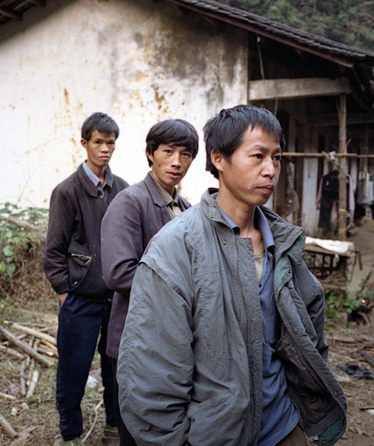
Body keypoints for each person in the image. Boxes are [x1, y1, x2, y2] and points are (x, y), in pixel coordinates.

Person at [117, 105, 347, 446]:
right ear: (219, 159)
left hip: (283, 425)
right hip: (215, 436)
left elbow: (309, 336)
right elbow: (152, 378)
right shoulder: (175, 249)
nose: (270, 170)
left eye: (277, 157)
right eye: (257, 156)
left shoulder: (282, 242)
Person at [101, 119, 199, 446]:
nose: (176, 162)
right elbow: (118, 272)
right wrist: (181, 289)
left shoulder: (184, 208)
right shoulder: (130, 202)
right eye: (168, 151)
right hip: (136, 340)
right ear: (150, 154)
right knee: (137, 433)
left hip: (171, 342)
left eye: (185, 154)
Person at [43, 112, 128, 446]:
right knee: (73, 372)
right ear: (84, 144)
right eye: (98, 142)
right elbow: (54, 251)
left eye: (111, 143)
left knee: (116, 371)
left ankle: (113, 428)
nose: (105, 149)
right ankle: (71, 434)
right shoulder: (67, 191)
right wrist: (65, 293)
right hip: (79, 301)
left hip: (116, 300)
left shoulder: (122, 189)